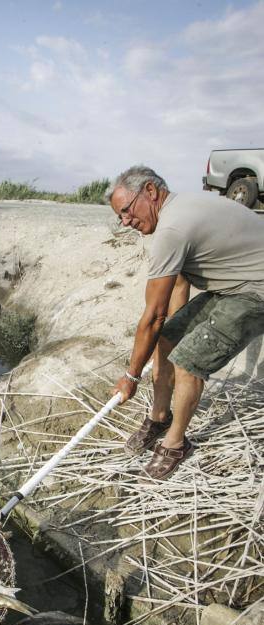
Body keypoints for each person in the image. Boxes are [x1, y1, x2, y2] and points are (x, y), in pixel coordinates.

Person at [107, 165, 264, 480]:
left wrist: (131, 376)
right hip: (233, 285)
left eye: (126, 210)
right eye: (119, 216)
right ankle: (160, 417)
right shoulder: (176, 214)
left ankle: (176, 443)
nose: (125, 221)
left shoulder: (172, 229)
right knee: (167, 339)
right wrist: (171, 333)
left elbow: (152, 315)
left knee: (188, 361)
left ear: (150, 191)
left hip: (256, 291)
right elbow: (176, 292)